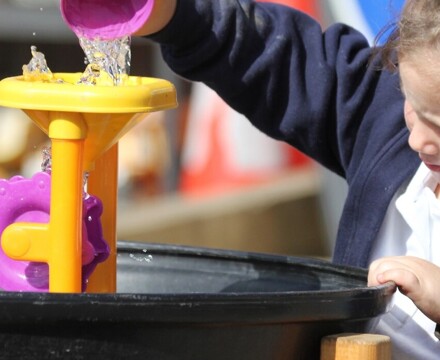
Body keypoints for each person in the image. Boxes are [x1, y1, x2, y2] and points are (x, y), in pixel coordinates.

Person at [133, 0, 440, 357]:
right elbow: (286, 60)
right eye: (410, 102)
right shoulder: (385, 121)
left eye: (437, 121)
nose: (416, 138)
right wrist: (174, 14)